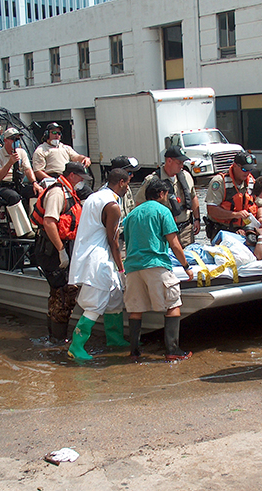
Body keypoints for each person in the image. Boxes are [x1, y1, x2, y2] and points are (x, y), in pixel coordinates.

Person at [124, 179, 194, 361]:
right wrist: (186, 266)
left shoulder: (132, 214)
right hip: (155, 264)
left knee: (136, 308)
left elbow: (126, 241)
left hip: (132, 267)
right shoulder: (163, 211)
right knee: (173, 304)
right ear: (162, 194)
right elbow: (174, 243)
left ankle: (134, 352)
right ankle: (173, 350)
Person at [67, 168, 131, 361]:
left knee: (114, 298)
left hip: (88, 252)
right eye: (127, 184)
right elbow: (113, 241)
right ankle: (76, 346)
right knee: (95, 304)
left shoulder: (96, 196)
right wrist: (121, 269)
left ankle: (115, 338)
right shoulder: (112, 205)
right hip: (99, 258)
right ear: (121, 182)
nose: (128, 188)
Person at [31, 162, 92, 343]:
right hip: (52, 249)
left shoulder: (68, 190)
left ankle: (54, 338)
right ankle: (58, 340)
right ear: (72, 175)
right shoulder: (57, 192)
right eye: (80, 177)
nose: (82, 181)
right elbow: (50, 222)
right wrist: (61, 251)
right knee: (64, 294)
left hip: (59, 247)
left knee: (58, 293)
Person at [134, 146, 200, 248]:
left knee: (188, 257)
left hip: (185, 229)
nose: (182, 166)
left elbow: (193, 197)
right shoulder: (152, 180)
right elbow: (139, 204)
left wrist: (197, 219)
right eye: (179, 162)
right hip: (163, 232)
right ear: (169, 161)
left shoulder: (186, 176)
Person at [0, 127, 43, 237]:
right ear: (5, 140)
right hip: (4, 185)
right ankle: (25, 231)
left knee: (37, 192)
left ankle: (36, 224)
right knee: (14, 197)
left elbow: (28, 169)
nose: (16, 142)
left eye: (18, 139)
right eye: (13, 139)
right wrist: (10, 162)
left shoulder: (21, 152)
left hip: (18, 183)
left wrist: (34, 183)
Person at [205, 151, 262, 241]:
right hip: (223, 230)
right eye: (244, 169)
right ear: (235, 166)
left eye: (250, 170)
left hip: (246, 231)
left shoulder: (252, 181)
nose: (247, 173)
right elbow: (211, 209)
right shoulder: (220, 181)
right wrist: (235, 215)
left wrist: (261, 218)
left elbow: (260, 205)